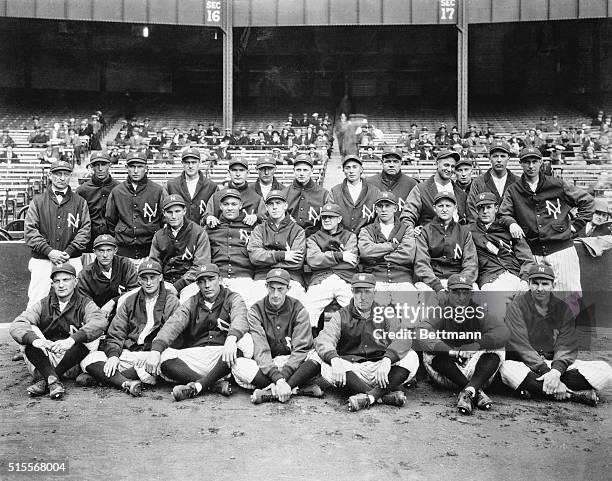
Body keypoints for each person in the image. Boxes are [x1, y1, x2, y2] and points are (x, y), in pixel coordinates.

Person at [499, 264, 612, 406]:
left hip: (552, 364)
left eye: (545, 284)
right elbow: (521, 346)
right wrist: (544, 370)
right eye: (535, 283)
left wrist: (555, 372)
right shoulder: (516, 306)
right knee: (506, 368)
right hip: (526, 364)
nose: (540, 288)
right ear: (528, 283)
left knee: (605, 371)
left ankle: (535, 388)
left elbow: (566, 345)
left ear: (554, 284)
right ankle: (571, 394)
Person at [498, 147, 594, 313]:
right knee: (537, 299)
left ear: (541, 162)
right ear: (520, 164)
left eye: (534, 161)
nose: (531, 166)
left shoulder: (557, 184)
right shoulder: (514, 190)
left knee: (568, 294)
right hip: (534, 252)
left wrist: (575, 226)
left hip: (562, 249)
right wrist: (511, 223)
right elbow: (503, 213)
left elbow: (588, 202)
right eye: (526, 162)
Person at [312, 273, 419, 412]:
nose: (362, 297)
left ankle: (369, 397)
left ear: (374, 292)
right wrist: (334, 359)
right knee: (324, 361)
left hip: (381, 371)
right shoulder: (341, 314)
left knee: (411, 357)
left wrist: (387, 359)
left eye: (367, 291)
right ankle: (380, 396)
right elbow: (325, 339)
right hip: (352, 370)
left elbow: (403, 338)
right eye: (358, 291)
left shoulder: (385, 312)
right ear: (352, 292)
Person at [143, 264, 251, 401]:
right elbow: (173, 325)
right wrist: (155, 350)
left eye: (211, 279)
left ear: (220, 279)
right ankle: (211, 385)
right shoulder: (192, 302)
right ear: (198, 284)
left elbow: (240, 318)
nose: (207, 285)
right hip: (196, 356)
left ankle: (199, 385)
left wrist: (231, 339)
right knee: (163, 356)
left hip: (223, 357)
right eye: (202, 281)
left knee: (245, 341)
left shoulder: (233, 297)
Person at [82, 260, 180, 396]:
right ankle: (125, 381)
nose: (149, 282)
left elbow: (172, 333)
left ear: (161, 278)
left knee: (158, 365)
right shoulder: (130, 300)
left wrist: (152, 352)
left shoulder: (171, 300)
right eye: (144, 278)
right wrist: (113, 355)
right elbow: (116, 332)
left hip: (153, 353)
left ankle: (106, 378)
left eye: (153, 278)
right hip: (130, 352)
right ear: (139, 280)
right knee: (90, 358)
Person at [10, 263, 107, 399]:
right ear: (52, 284)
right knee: (28, 333)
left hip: (73, 360)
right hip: (45, 359)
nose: (61, 285)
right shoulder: (43, 304)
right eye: (57, 281)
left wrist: (71, 340)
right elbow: (17, 325)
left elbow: (100, 322)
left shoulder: (85, 303)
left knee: (94, 335)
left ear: (75, 281)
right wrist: (37, 341)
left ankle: (49, 379)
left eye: (66, 280)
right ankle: (52, 378)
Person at [418, 274, 510, 415]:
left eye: (465, 292)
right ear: (447, 293)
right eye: (456, 292)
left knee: (499, 348)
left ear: (471, 294)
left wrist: (477, 344)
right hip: (447, 374)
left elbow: (503, 331)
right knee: (428, 352)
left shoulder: (478, 311)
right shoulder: (440, 311)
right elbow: (421, 332)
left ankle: (469, 391)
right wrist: (449, 351)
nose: (461, 297)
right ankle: (476, 391)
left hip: (477, 371)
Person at [232, 268, 323, 404]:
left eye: (280, 289)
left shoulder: (299, 309)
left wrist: (283, 377)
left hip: (293, 363)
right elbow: (261, 350)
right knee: (237, 365)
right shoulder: (255, 311)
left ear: (288, 288)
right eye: (272, 288)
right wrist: (277, 378)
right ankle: (295, 389)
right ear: (266, 287)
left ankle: (271, 392)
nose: (275, 294)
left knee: (318, 356)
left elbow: (301, 349)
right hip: (267, 365)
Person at [24, 160, 91, 308]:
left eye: (66, 174)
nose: (62, 178)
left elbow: (85, 231)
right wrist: (49, 251)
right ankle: (32, 331)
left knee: (75, 300)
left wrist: (68, 252)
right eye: (58, 174)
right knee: (37, 299)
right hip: (43, 260)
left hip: (71, 258)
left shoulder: (80, 202)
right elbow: (30, 232)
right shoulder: (38, 201)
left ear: (70, 176)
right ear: (50, 175)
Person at [304, 203, 358, 329]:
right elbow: (313, 260)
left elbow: (352, 261)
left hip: (345, 279)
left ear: (339, 219)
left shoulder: (350, 236)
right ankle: (311, 345)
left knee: (357, 310)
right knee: (306, 310)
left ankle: (353, 345)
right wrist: (340, 256)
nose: (326, 220)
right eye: (324, 217)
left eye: (331, 217)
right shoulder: (314, 238)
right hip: (321, 279)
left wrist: (324, 257)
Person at [247, 190, 306, 303]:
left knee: (298, 304)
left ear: (285, 205)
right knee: (252, 301)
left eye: (278, 203)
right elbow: (254, 256)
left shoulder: (297, 230)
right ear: (266, 207)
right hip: (263, 277)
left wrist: (266, 257)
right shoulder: (259, 229)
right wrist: (282, 255)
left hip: (290, 278)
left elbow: (297, 262)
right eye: (271, 204)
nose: (274, 207)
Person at [149, 194, 211, 302]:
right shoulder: (159, 235)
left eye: (177, 211)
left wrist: (178, 286)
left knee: (186, 303)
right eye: (169, 212)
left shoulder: (198, 232)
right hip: (165, 282)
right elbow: (155, 264)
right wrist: (161, 283)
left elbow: (201, 265)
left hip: (191, 282)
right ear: (164, 213)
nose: (174, 216)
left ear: (184, 211)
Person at [105, 151, 164, 264]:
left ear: (146, 168)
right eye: (132, 167)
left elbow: (164, 219)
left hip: (150, 249)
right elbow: (110, 219)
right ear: (127, 168)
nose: (136, 171)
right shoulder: (117, 191)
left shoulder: (157, 190)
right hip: (124, 250)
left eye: (140, 167)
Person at [358, 192, 417, 304]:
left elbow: (407, 256)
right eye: (380, 206)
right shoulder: (367, 230)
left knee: (410, 311)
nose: (383, 209)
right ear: (376, 209)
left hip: (402, 279)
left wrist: (378, 255)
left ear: (395, 208)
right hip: (377, 280)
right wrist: (392, 246)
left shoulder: (406, 229)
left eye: (387, 205)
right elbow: (365, 252)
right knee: (377, 313)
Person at [414, 192, 478, 292]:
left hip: (459, 281)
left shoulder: (464, 232)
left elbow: (471, 264)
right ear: (434, 208)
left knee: (478, 297)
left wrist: (460, 283)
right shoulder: (425, 232)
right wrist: (437, 286)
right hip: (432, 281)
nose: (444, 209)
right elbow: (422, 264)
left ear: (455, 208)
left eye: (448, 206)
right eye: (440, 206)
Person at [206, 189, 258, 307]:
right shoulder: (211, 228)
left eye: (234, 204)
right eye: (226, 204)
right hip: (217, 279)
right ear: (220, 206)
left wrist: (258, 217)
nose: (229, 208)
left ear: (240, 205)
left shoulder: (251, 227)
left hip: (243, 277)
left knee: (246, 308)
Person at [77, 234, 139, 322]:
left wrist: (113, 302)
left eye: (109, 250)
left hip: (125, 312)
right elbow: (84, 302)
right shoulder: (85, 274)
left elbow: (134, 291)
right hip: (99, 315)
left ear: (115, 250)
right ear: (94, 252)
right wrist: (98, 314)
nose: (105, 255)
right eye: (101, 251)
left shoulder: (125, 264)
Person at [400, 150, 468, 229]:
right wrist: (412, 234)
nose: (449, 169)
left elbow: (469, 221)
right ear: (437, 164)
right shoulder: (421, 189)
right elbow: (407, 217)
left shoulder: (460, 193)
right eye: (446, 165)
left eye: (452, 166)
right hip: (429, 238)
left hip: (455, 238)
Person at [76, 151, 119, 252]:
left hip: (114, 240)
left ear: (110, 165)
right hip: (89, 242)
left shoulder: (119, 189)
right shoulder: (82, 190)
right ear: (91, 166)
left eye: (103, 165)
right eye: (96, 165)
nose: (100, 169)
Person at [466, 141, 519, 222]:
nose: (499, 160)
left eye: (503, 156)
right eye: (495, 156)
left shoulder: (517, 182)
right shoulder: (479, 182)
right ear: (489, 158)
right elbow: (471, 209)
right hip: (485, 231)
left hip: (511, 231)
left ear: (508, 158)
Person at [164, 147, 219, 225]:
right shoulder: (171, 185)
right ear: (182, 163)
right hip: (178, 232)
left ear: (199, 162)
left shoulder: (211, 186)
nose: (190, 166)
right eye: (187, 162)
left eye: (194, 162)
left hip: (203, 232)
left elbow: (216, 212)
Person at [205, 158, 265, 228]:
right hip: (221, 236)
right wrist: (208, 218)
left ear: (248, 173)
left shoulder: (256, 198)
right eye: (234, 170)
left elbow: (266, 221)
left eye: (241, 170)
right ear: (228, 172)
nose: (238, 174)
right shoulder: (216, 196)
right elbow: (204, 218)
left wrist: (257, 217)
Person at [282, 153, 331, 237]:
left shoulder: (324, 194)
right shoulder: (284, 193)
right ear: (293, 171)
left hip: (316, 238)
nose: (301, 173)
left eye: (305, 170)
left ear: (312, 171)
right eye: (298, 170)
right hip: (289, 237)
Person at [329, 155, 380, 235]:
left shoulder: (374, 191)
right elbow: (330, 217)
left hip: (367, 238)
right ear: (343, 170)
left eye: (354, 167)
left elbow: (379, 218)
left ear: (361, 169)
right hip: (342, 237)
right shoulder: (335, 191)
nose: (351, 171)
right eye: (347, 168)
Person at [365, 147, 418, 211]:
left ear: (401, 163)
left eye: (395, 162)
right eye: (388, 161)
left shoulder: (411, 183)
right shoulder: (370, 182)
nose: (391, 165)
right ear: (382, 162)